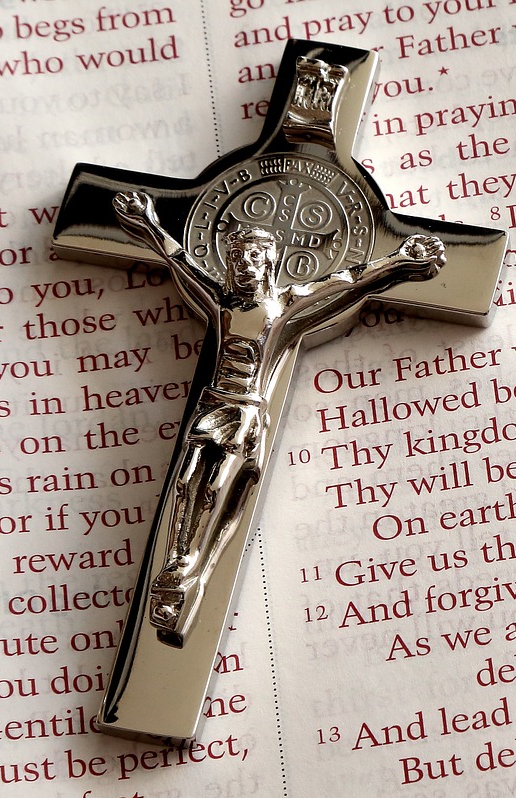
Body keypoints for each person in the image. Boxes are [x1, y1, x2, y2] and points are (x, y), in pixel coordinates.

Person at [112, 189, 446, 643]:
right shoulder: (222, 302)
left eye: (254, 257)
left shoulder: (282, 305)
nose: (245, 265)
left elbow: (346, 280)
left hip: (245, 409)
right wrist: (148, 222)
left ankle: (189, 569)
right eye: (237, 258)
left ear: (269, 263)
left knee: (213, 488)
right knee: (186, 481)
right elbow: (180, 260)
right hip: (212, 402)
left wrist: (398, 261)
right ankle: (178, 562)